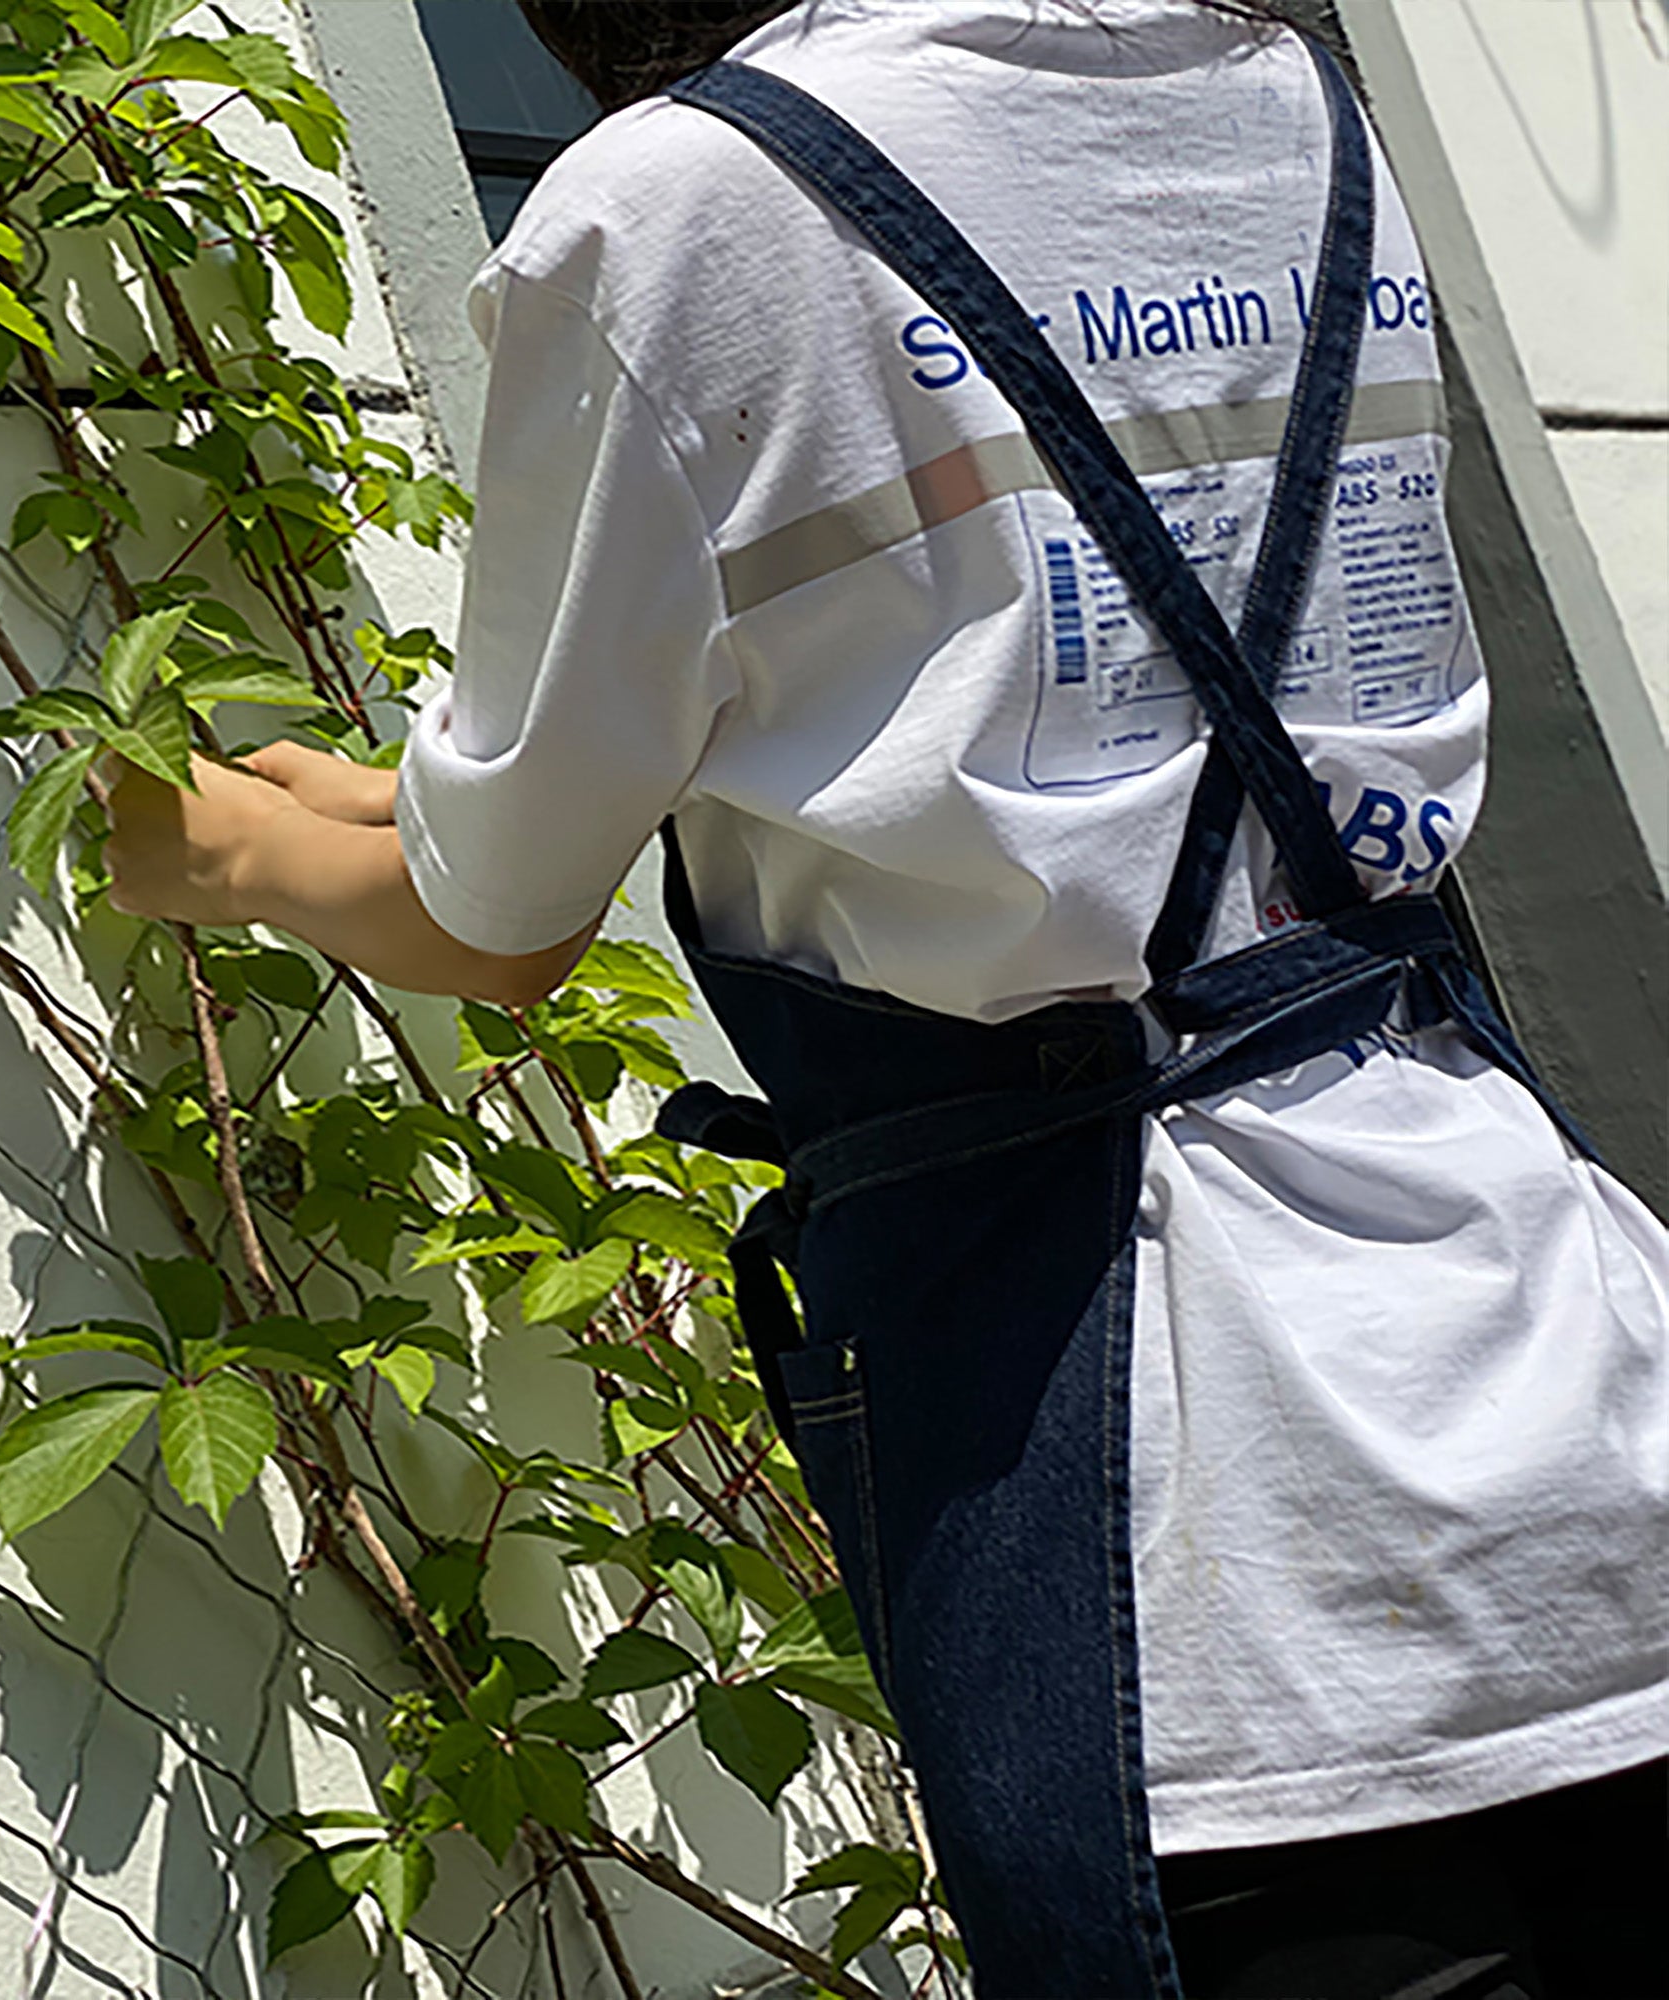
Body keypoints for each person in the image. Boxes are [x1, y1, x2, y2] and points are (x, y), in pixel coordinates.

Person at [104, 3, 1668, 1993]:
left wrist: (194, 846)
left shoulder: (686, 205)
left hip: (1204, 1529)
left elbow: (494, 917)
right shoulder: (1291, 105)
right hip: (1572, 1381)